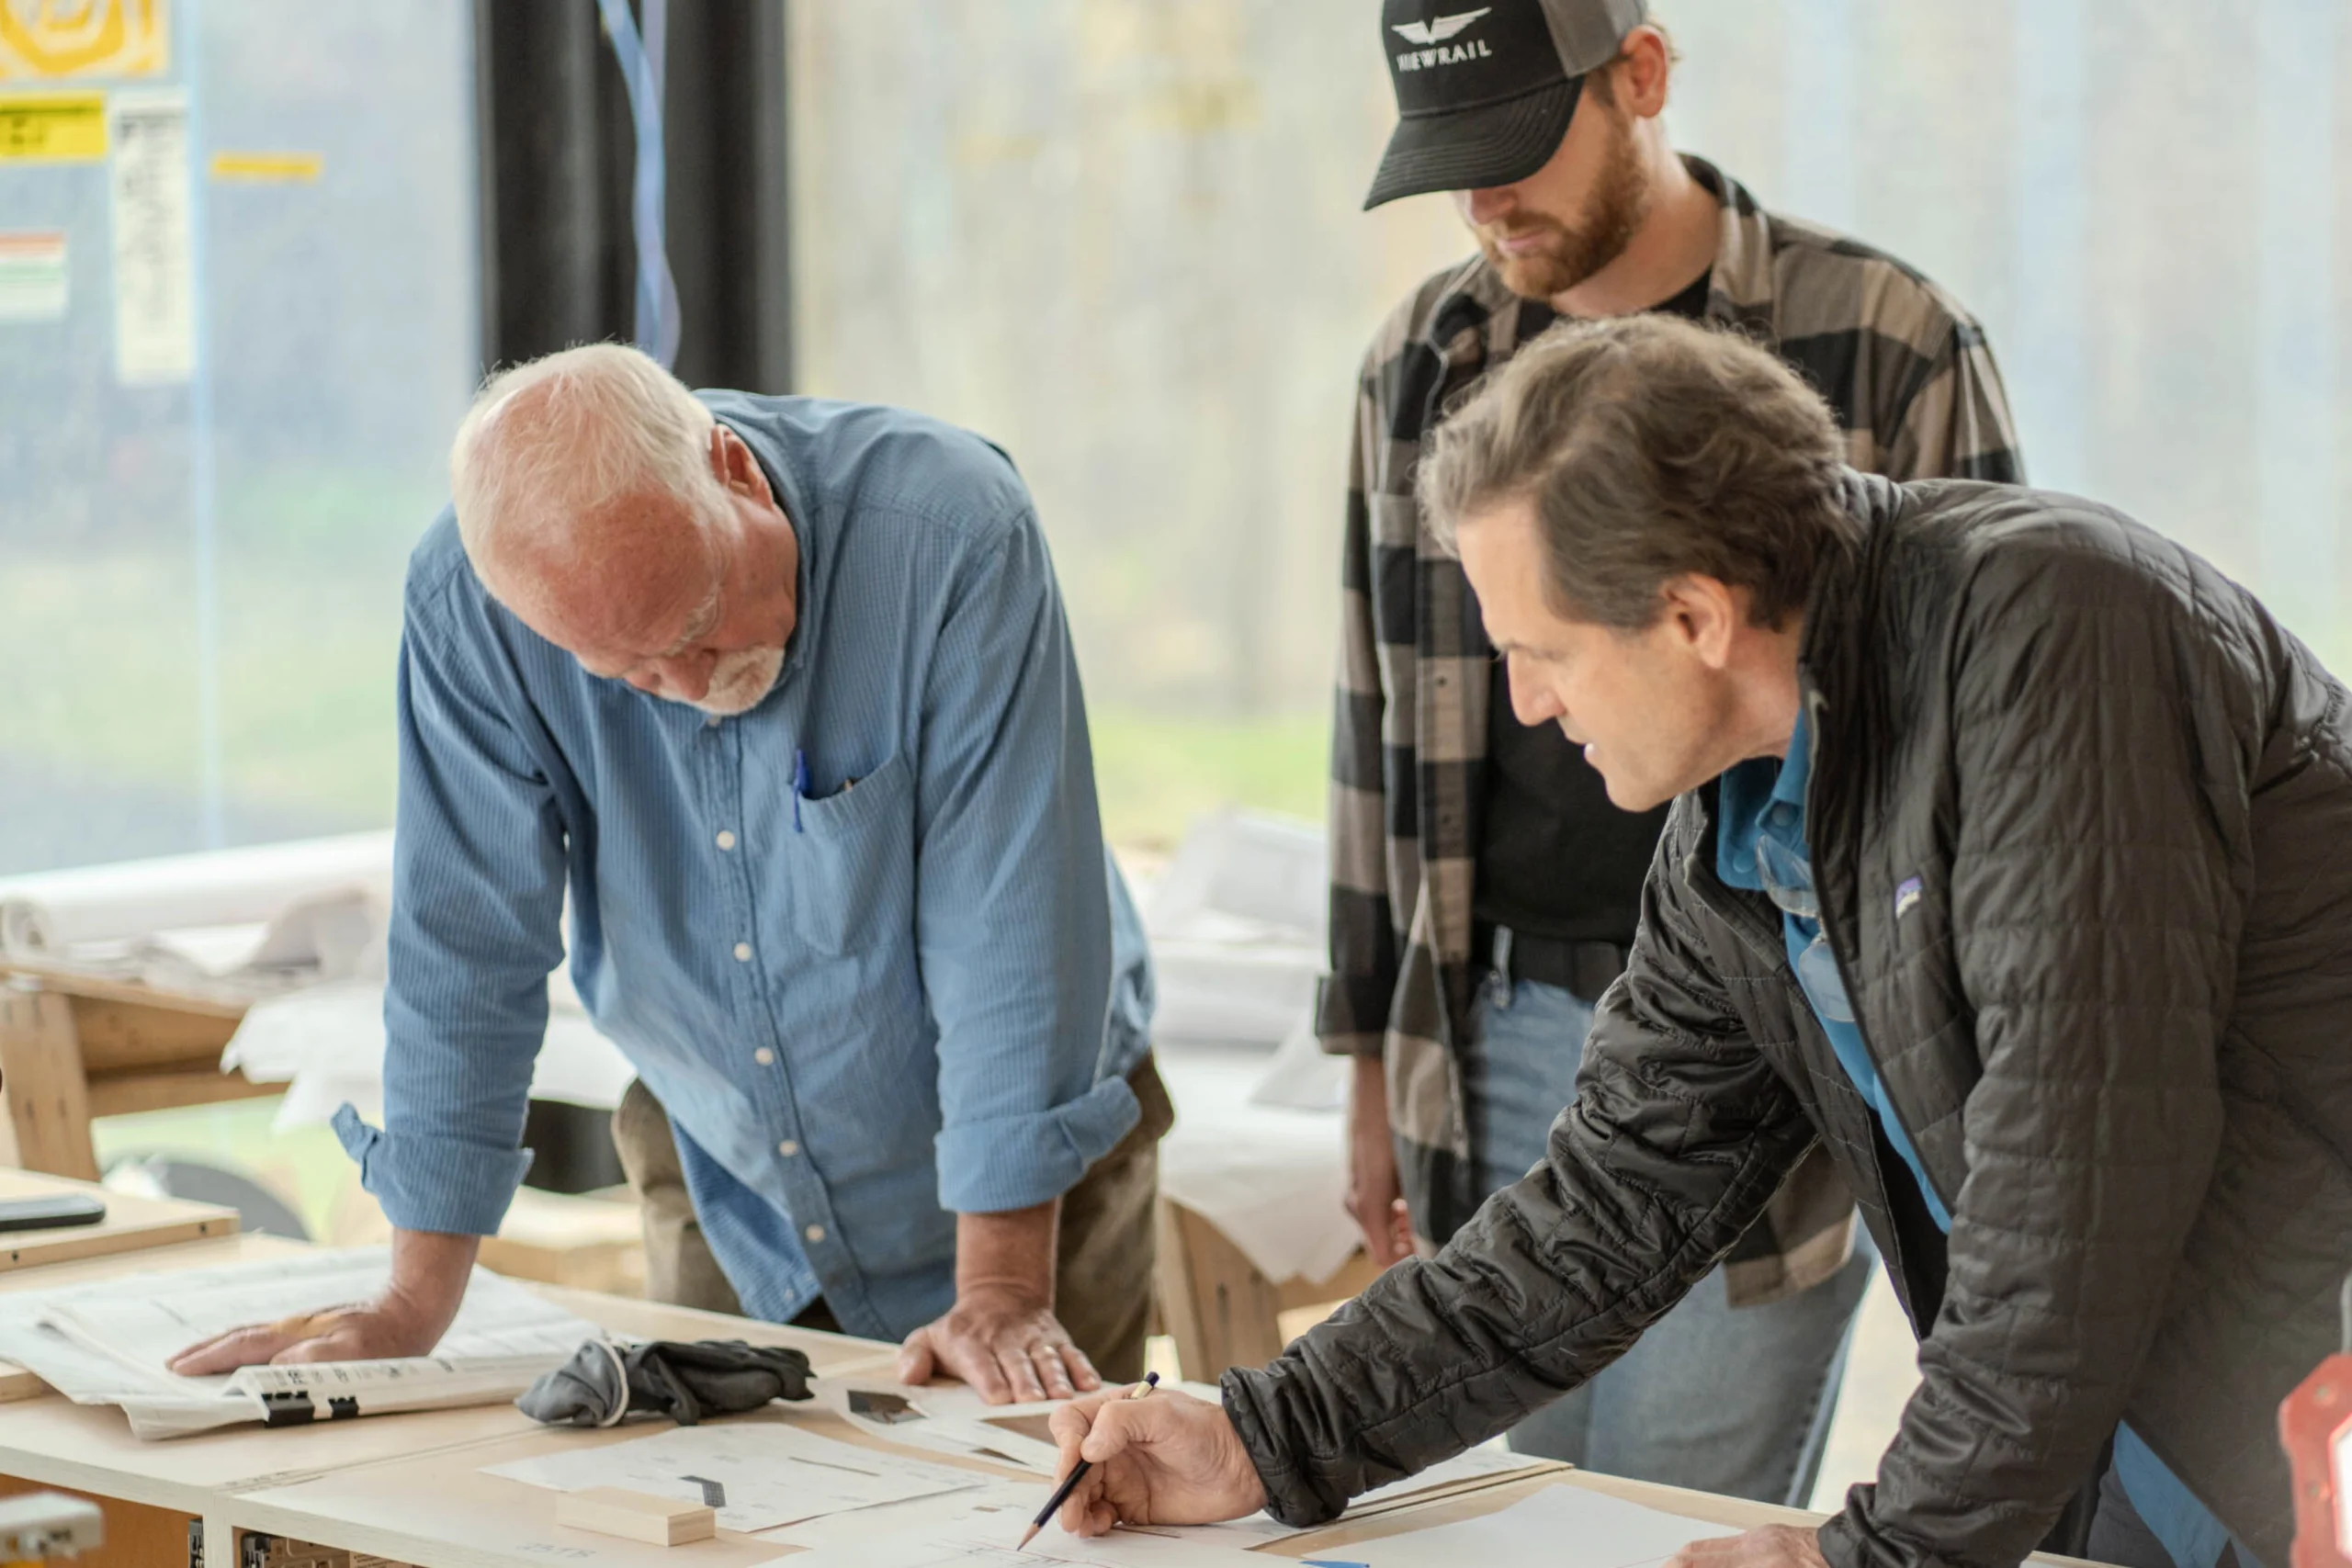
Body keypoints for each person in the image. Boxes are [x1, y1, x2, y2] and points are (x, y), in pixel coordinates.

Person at [1046, 314, 2337, 1568]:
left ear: (1696, 617)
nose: (1529, 703)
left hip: (2297, 1408)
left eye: (1542, 650)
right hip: (2128, 1416)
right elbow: (1610, 1202)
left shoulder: (2057, 634)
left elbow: (2075, 1183)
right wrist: (1270, 1434)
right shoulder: (1736, 819)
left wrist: (1881, 1550)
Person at [168, 344, 1167, 1401]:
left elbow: (1009, 931)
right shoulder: (469, 608)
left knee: (1025, 1531)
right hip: (726, 1168)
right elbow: (467, 944)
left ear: (731, 469)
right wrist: (412, 1302)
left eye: (696, 624)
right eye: (630, 672)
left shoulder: (951, 534)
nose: (691, 684)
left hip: (1024, 1188)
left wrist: (1003, 1287)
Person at [1329, 0, 2021, 1502]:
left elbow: (1984, 744)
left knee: (1672, 1518)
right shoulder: (1426, 357)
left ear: (1641, 72)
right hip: (1496, 1016)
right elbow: (1373, 716)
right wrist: (1368, 1059)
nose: (1485, 200)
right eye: (1453, 161)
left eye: (1516, 148)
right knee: (1513, 1507)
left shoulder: (1890, 340)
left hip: (1772, 1052)